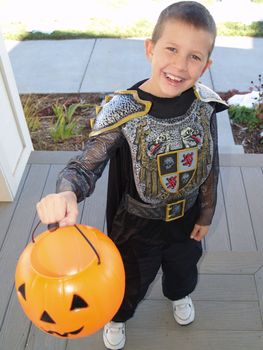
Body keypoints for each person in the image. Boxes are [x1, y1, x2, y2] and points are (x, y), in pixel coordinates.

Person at [36, 1, 228, 349]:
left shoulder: (205, 105)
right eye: (171, 49)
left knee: (183, 267)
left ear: (206, 65)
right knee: (128, 278)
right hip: (136, 226)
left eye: (194, 57)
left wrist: (206, 212)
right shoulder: (122, 111)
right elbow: (85, 165)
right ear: (150, 48)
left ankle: (178, 293)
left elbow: (209, 162)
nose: (180, 65)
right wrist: (66, 192)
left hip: (186, 218)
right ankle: (117, 314)